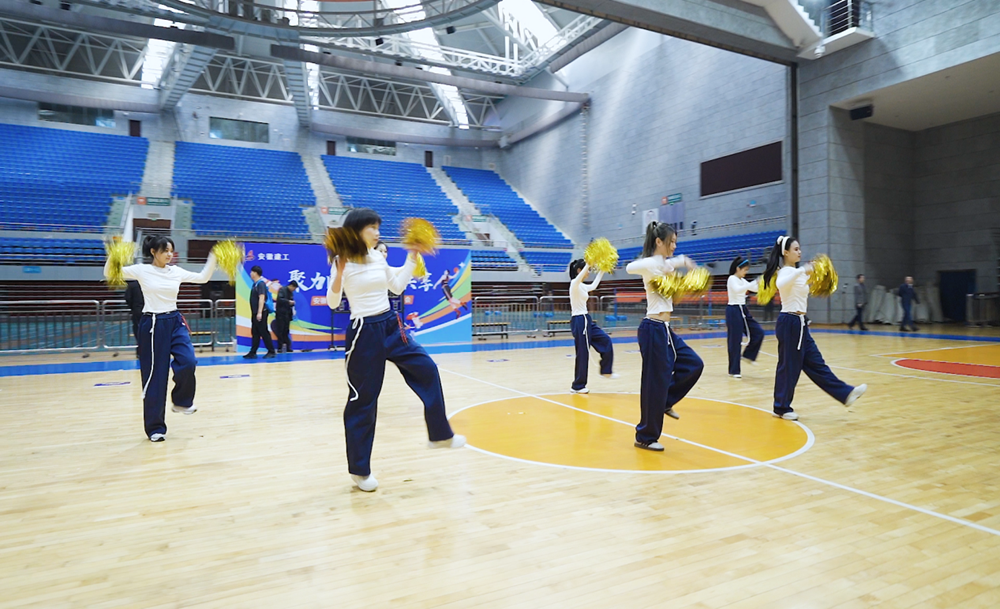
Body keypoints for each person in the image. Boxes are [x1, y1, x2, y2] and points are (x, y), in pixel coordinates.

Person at [328, 208, 465, 492]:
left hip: (391, 325)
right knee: (363, 400)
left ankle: (439, 434)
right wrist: (339, 273)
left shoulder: (378, 256)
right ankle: (360, 471)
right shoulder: (342, 260)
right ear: (357, 230)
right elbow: (332, 301)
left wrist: (412, 255)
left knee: (427, 369)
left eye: (378, 227)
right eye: (372, 228)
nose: (377, 233)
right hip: (364, 332)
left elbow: (397, 286)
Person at [105, 236, 216, 442]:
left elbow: (202, 278)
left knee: (188, 361)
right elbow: (110, 273)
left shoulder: (176, 271)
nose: (169, 254)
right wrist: (114, 254)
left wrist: (214, 257)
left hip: (175, 321)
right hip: (153, 324)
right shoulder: (141, 270)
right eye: (165, 250)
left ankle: (182, 401)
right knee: (155, 377)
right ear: (153, 252)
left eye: (171, 250)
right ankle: (155, 428)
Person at [764, 235, 867, 421]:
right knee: (789, 367)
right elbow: (780, 284)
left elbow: (807, 284)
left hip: (800, 323)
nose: (799, 252)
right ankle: (781, 407)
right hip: (790, 322)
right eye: (795, 249)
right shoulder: (785, 272)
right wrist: (803, 270)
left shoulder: (797, 273)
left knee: (817, 364)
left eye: (799, 248)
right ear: (785, 253)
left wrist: (818, 272)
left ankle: (846, 394)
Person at [625, 221, 704, 452]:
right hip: (653, 328)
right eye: (671, 242)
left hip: (665, 329)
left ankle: (665, 400)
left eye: (676, 242)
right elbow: (630, 267)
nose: (674, 246)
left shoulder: (665, 264)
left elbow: (674, 263)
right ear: (659, 242)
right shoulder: (651, 264)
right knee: (653, 383)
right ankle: (645, 436)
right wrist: (663, 265)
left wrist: (686, 263)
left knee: (694, 364)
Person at [568, 259, 615, 394]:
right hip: (579, 320)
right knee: (583, 353)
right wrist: (589, 263)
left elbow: (593, 286)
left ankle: (606, 370)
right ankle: (577, 385)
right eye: (587, 270)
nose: (588, 272)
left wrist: (602, 271)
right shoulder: (574, 283)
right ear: (579, 270)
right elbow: (579, 277)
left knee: (605, 340)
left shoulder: (582, 286)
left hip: (586, 319)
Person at [725, 256, 763, 378]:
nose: (746, 272)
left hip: (743, 309)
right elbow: (737, 290)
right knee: (735, 341)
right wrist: (753, 283)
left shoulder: (742, 280)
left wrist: (762, 281)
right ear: (738, 268)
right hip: (733, 310)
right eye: (745, 270)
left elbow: (754, 288)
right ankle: (734, 370)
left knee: (758, 332)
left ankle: (748, 355)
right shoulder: (732, 279)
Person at [244, 265, 276, 359]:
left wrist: (259, 312)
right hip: (255, 313)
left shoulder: (261, 284)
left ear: (255, 273)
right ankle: (253, 352)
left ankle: (271, 351)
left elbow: (262, 298)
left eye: (252, 272)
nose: (250, 274)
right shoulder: (255, 284)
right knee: (255, 332)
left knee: (264, 332)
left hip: (261, 313)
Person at [273, 280, 298, 353]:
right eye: (294, 288)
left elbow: (291, 303)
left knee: (286, 331)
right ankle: (280, 347)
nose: (294, 290)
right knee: (280, 330)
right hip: (281, 314)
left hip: (287, 314)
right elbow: (280, 300)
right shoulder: (282, 290)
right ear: (291, 286)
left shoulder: (291, 293)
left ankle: (288, 347)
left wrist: (292, 303)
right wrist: (288, 301)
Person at [124, 279, 144, 358]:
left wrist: (133, 307)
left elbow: (128, 298)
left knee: (138, 331)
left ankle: (140, 351)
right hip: (149, 310)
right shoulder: (149, 283)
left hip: (137, 310)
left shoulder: (133, 285)